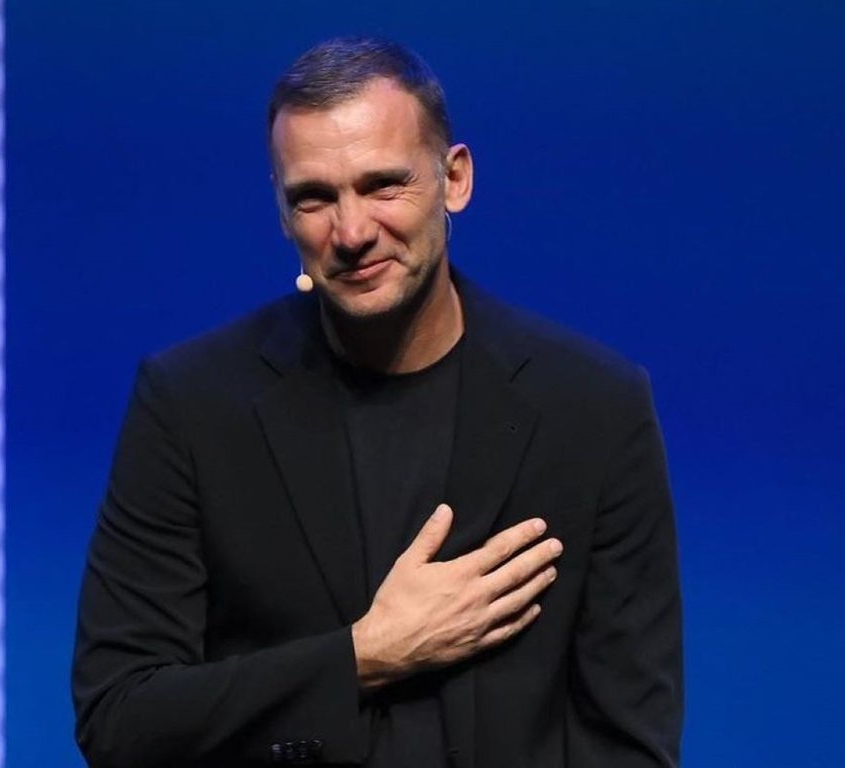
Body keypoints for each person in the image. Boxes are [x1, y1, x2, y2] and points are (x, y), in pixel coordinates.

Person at [72, 37, 683, 767]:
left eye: (383, 185)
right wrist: (363, 656)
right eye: (314, 198)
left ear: (454, 179)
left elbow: (628, 743)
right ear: (282, 212)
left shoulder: (592, 410)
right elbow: (121, 718)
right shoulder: (194, 405)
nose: (353, 232)